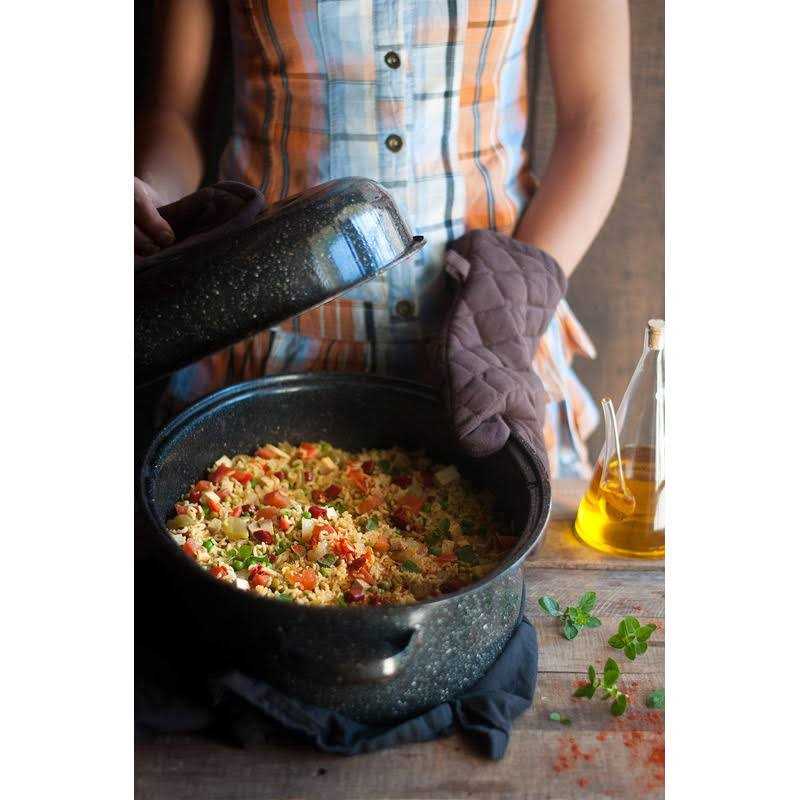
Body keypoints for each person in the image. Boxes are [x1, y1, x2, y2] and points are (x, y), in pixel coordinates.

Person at [135, 0, 631, 477]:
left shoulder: (504, 323)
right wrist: (151, 204)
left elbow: (594, 115)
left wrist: (517, 298)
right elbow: (174, 115)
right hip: (264, 336)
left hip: (496, 337)